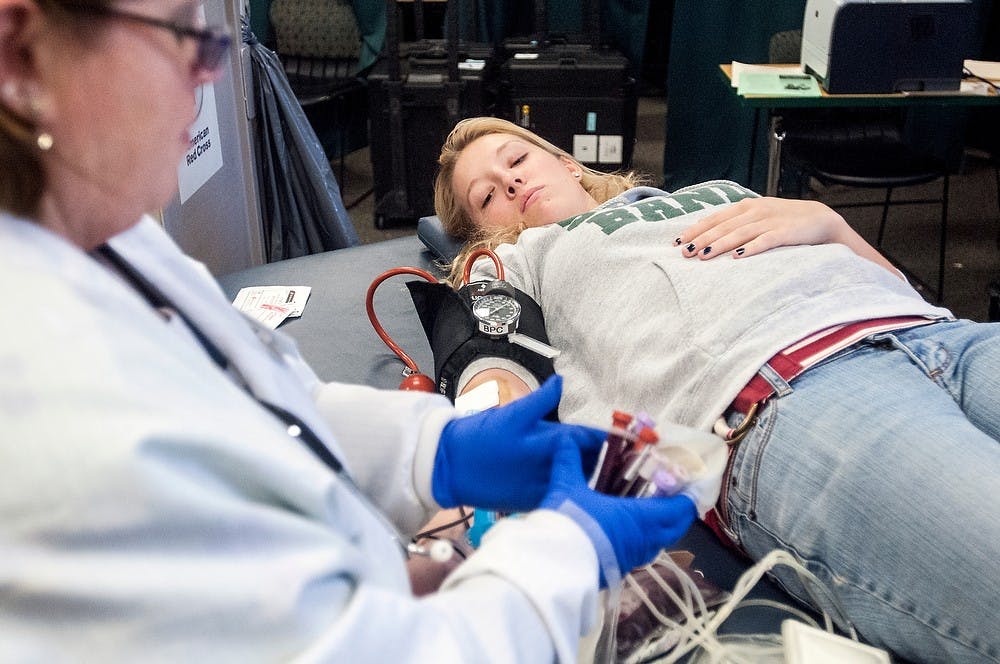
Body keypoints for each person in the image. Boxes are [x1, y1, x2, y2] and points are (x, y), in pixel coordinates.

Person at [0, 2, 699, 661]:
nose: (209, 69)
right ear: (20, 51)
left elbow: (259, 397)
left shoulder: (99, 229)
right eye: (181, 33)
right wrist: (570, 548)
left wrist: (434, 447)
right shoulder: (43, 409)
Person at [432, 117, 1000, 664]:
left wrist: (833, 225)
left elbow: (911, 295)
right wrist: (476, 471)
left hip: (943, 336)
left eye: (518, 159)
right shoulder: (516, 259)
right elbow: (488, 351)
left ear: (565, 162)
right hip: (790, 391)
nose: (510, 181)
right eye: (487, 197)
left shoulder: (718, 191)